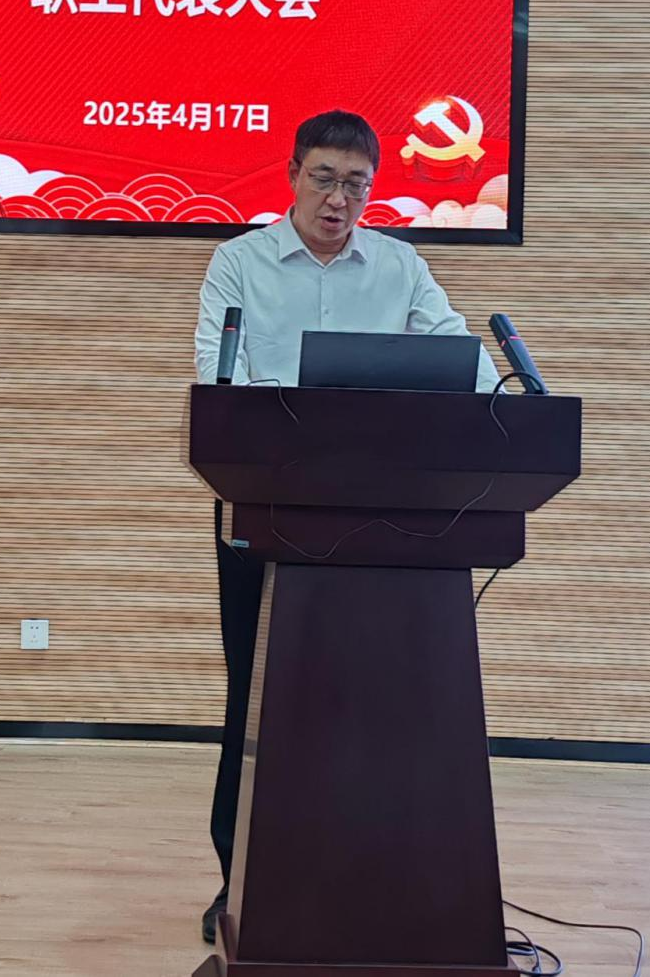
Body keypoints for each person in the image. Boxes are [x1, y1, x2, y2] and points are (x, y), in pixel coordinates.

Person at [193, 109, 500, 944]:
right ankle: (238, 882)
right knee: (255, 698)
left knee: (379, 703)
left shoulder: (400, 267)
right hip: (263, 510)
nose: (339, 199)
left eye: (356, 185)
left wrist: (507, 400)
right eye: (324, 179)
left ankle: (378, 882)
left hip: (384, 518)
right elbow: (217, 378)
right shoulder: (238, 263)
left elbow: (459, 357)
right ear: (293, 174)